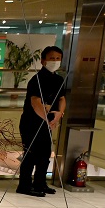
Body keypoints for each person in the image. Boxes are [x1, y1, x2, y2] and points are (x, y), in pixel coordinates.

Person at [16, 46, 66, 197]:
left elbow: (62, 99)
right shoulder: (36, 79)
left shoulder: (59, 79)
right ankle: (24, 185)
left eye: (58, 58)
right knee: (30, 154)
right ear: (43, 61)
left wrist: (59, 115)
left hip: (48, 121)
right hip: (32, 122)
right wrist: (48, 117)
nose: (55, 61)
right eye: (52, 58)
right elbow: (35, 103)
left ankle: (40, 183)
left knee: (44, 154)